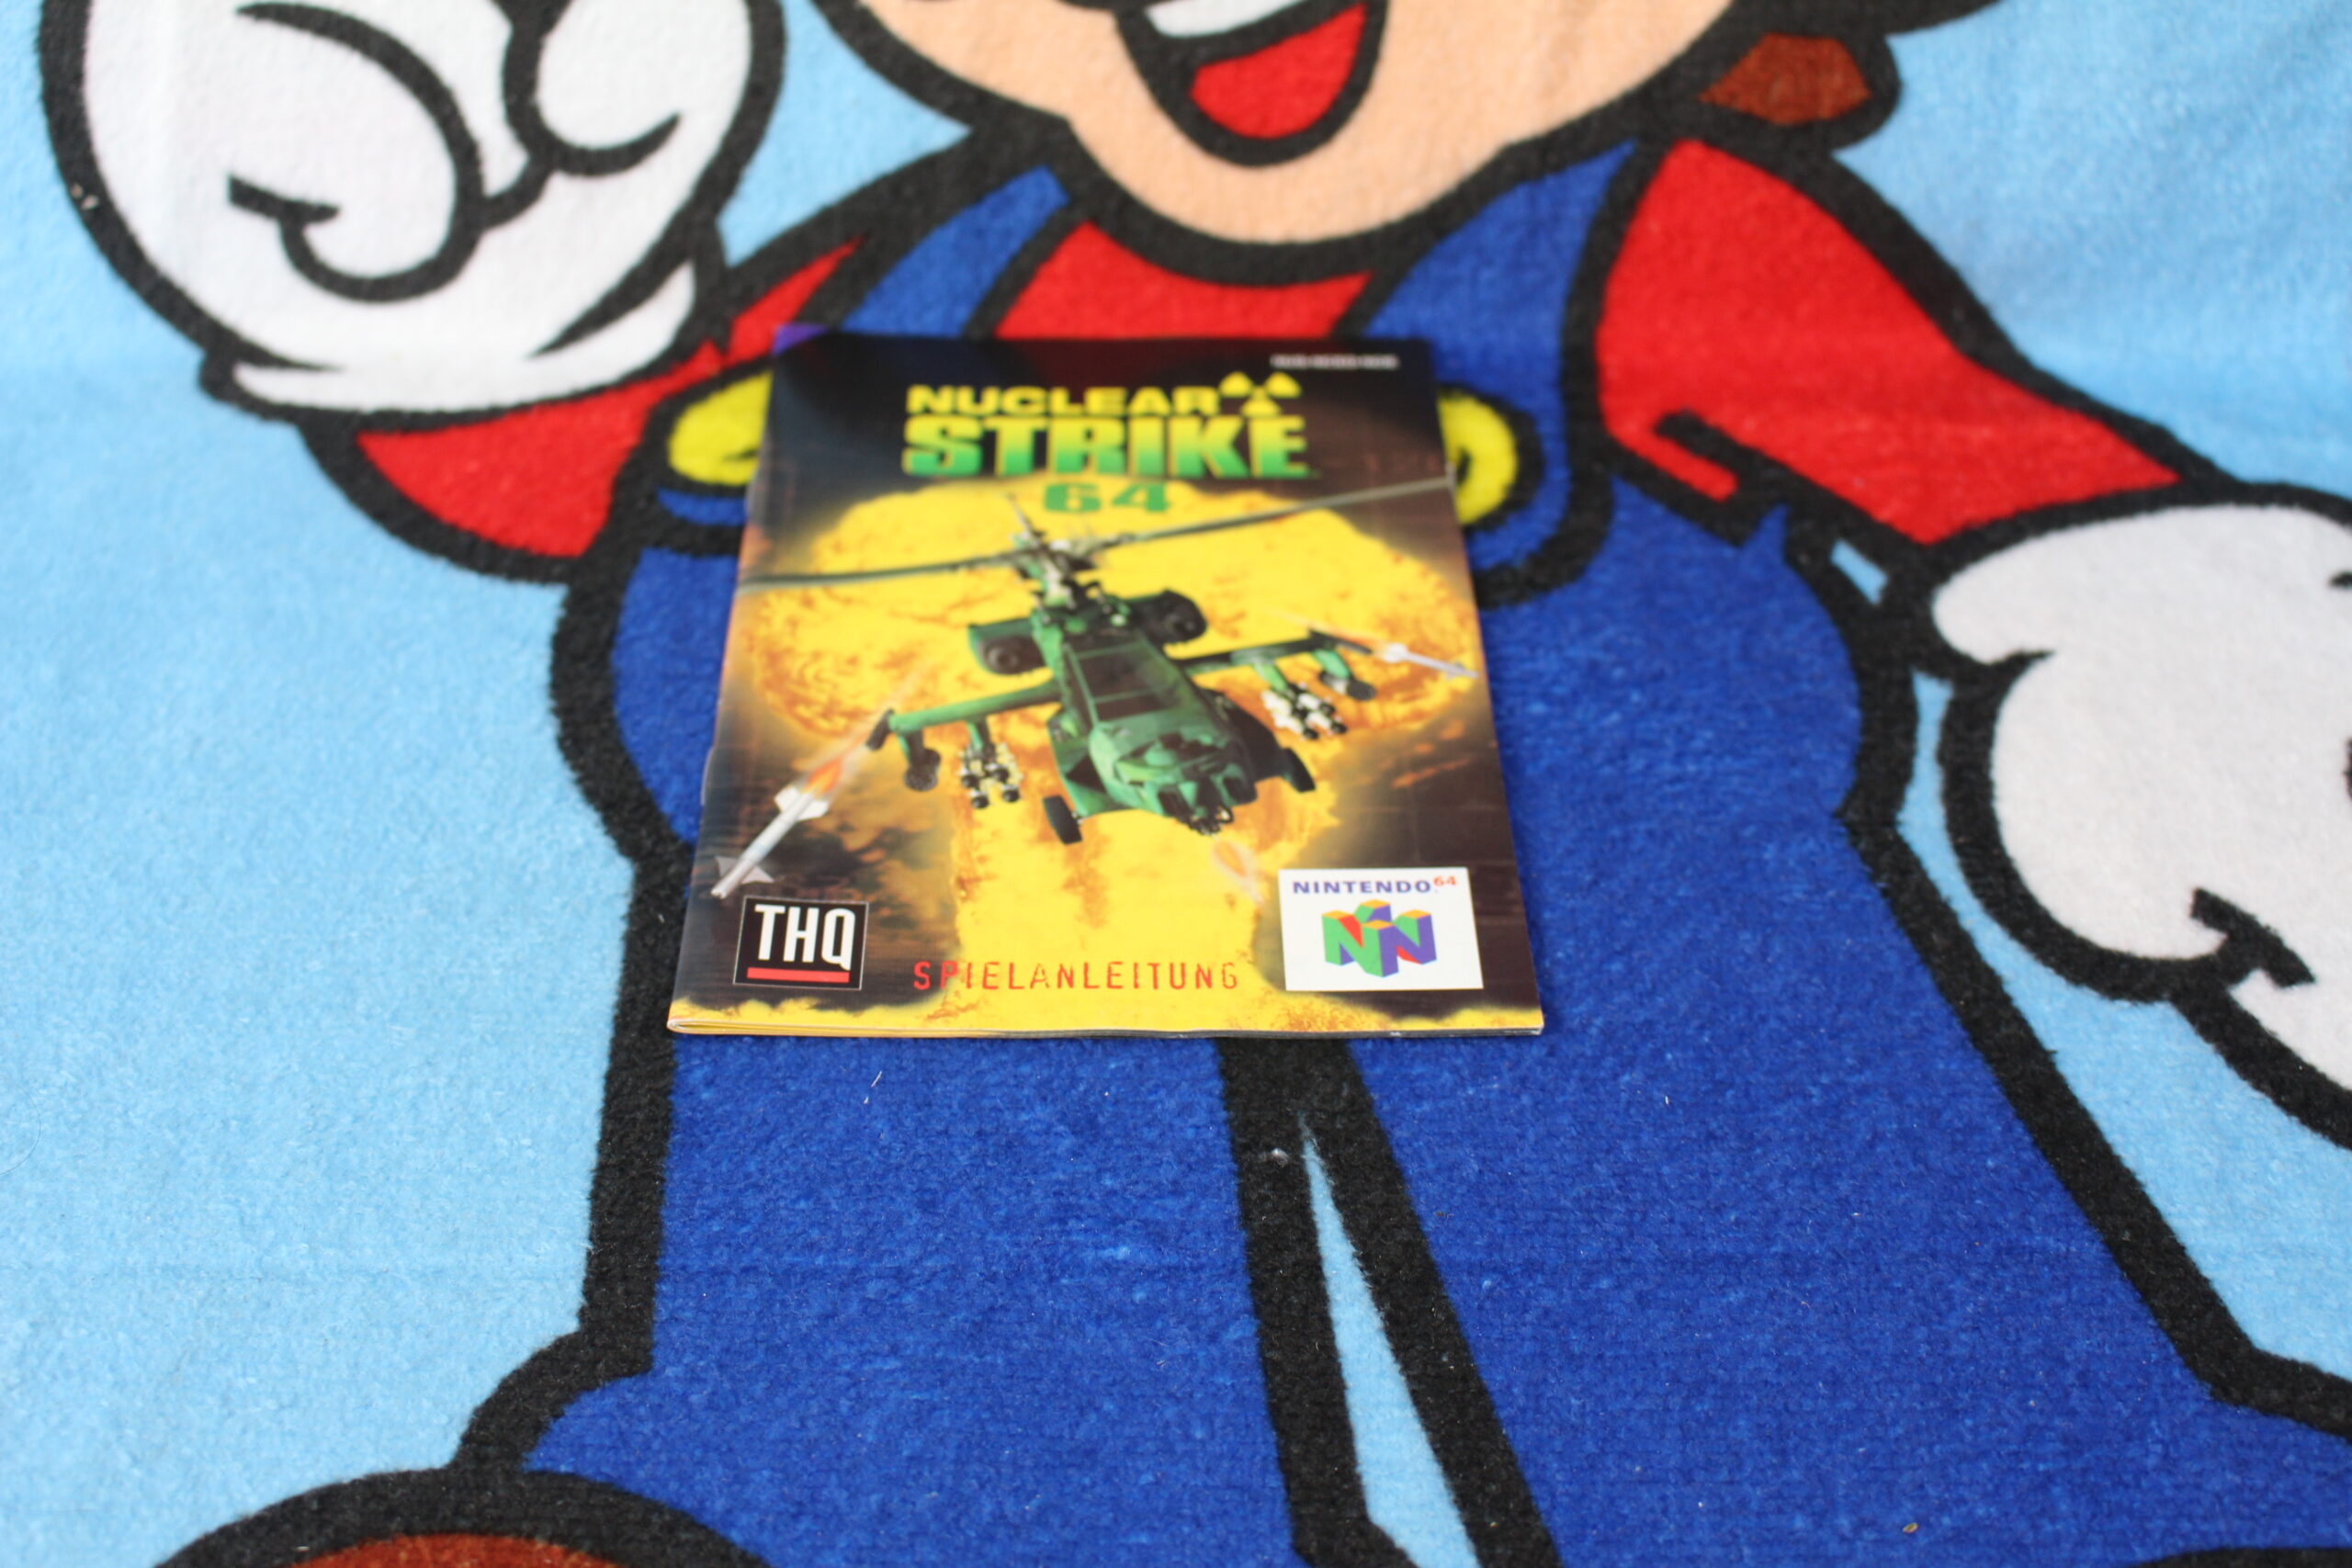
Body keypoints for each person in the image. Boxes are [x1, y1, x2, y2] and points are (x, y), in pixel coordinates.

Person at [50, 1, 2352, 1562]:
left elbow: (1989, 467)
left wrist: (2194, 668)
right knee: (909, 1157)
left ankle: (1995, 1498)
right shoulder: (915, 276)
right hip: (951, 845)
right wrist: (453, 269)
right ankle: (815, 1506)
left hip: (1620, 890)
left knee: (1759, 1206)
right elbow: (583, 454)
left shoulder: (1645, 238)